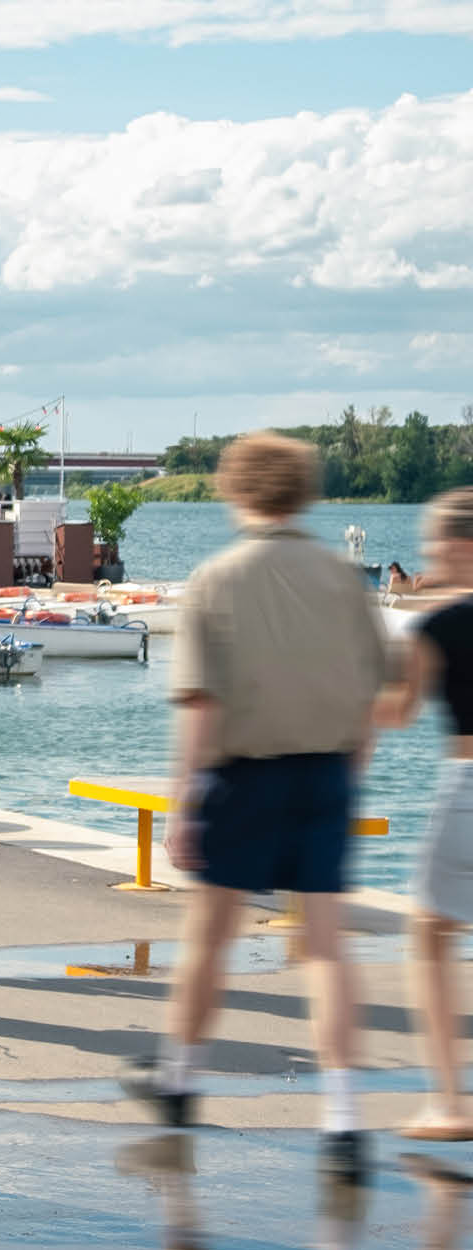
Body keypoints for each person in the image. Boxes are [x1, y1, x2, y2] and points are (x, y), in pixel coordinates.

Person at [122, 433, 387, 1181]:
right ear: (305, 492)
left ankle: (179, 1083)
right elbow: (374, 694)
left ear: (235, 491)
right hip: (326, 775)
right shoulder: (343, 579)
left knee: (209, 941)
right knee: (327, 949)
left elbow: (201, 706)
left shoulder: (218, 578)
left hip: (243, 777)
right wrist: (348, 774)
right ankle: (343, 1121)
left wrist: (183, 803)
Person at [375, 487, 473, 1142]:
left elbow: (397, 712)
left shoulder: (439, 627)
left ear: (463, 547)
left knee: (430, 935)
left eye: (437, 542)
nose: (430, 555)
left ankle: (450, 1103)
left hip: (468, 790)